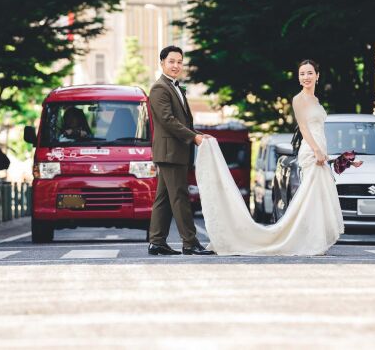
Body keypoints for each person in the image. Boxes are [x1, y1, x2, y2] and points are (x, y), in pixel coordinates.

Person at [194, 59, 354, 255]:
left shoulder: (316, 101)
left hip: (319, 150)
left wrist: (331, 156)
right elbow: (304, 128)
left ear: (317, 76)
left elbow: (319, 129)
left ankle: (315, 240)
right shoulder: (299, 99)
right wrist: (316, 151)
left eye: (310, 73)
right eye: (302, 73)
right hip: (311, 151)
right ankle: (302, 240)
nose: (306, 77)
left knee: (317, 198)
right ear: (298, 77)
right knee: (310, 197)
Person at [147, 46, 215, 256]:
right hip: (170, 152)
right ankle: (190, 242)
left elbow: (182, 121)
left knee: (165, 198)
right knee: (180, 197)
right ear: (162, 63)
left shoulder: (175, 87)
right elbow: (168, 120)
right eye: (171, 61)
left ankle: (157, 241)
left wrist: (199, 133)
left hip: (174, 151)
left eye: (179, 62)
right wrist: (193, 137)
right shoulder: (159, 88)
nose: (176, 66)